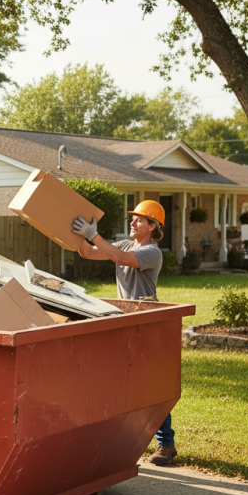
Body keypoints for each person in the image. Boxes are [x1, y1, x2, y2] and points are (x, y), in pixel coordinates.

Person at [72, 200, 177, 466]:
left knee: (151, 386)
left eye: (139, 220)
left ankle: (166, 445)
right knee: (120, 381)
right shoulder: (123, 244)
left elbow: (121, 260)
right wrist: (75, 233)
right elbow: (87, 252)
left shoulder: (152, 252)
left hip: (146, 321)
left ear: (152, 226)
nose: (132, 223)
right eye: (133, 219)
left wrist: (93, 235)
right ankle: (124, 440)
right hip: (123, 320)